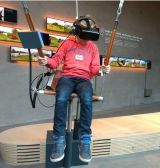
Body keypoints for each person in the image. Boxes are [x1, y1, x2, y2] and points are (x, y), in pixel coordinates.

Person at [39, 15, 110, 163]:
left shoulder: (93, 48)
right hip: (67, 78)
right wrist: (47, 61)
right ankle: (59, 139)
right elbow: (55, 60)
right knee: (61, 98)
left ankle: (85, 140)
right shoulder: (67, 44)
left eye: (89, 37)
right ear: (76, 31)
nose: (86, 41)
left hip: (84, 80)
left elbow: (95, 69)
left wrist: (102, 70)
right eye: (84, 37)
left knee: (87, 100)